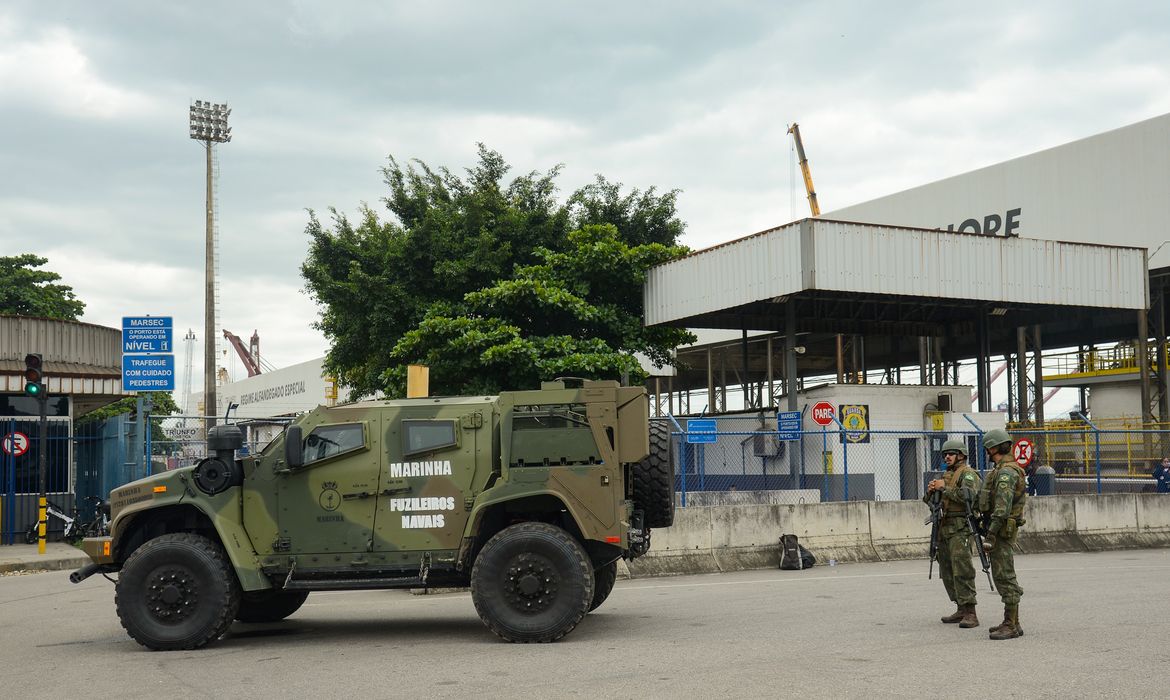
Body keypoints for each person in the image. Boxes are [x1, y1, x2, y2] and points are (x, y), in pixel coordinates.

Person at [924, 438, 982, 628]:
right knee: (947, 569)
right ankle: (960, 607)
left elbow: (968, 496)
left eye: (950, 454)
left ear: (961, 455)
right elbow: (931, 502)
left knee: (962, 568)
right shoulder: (946, 475)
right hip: (944, 526)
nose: (947, 457)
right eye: (945, 455)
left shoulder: (968, 474)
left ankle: (970, 612)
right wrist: (932, 491)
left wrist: (944, 488)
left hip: (960, 527)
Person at [978, 428, 1027, 640]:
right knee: (1002, 573)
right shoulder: (1003, 469)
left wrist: (990, 535)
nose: (987, 452)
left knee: (1004, 575)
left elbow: (1002, 508)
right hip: (1000, 529)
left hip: (1000, 531)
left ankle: (1010, 624)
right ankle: (1013, 622)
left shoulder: (1006, 473)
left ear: (995, 448)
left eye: (989, 448)